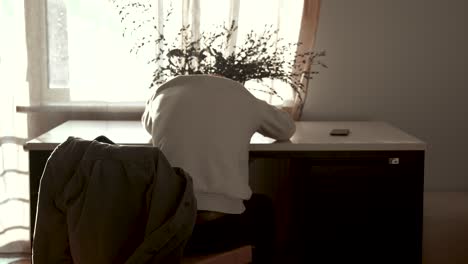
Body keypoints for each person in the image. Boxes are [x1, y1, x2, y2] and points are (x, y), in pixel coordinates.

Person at [141, 74, 296, 263]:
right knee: (263, 206)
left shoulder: (160, 96)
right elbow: (286, 129)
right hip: (222, 229)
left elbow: (150, 128)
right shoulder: (244, 98)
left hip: (167, 228)